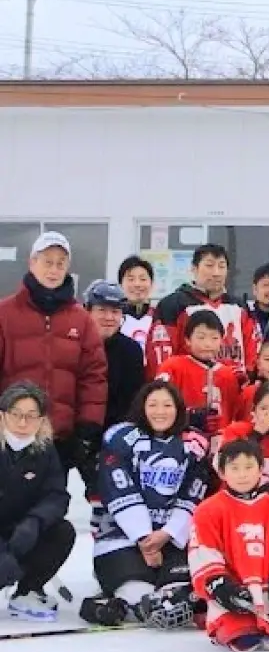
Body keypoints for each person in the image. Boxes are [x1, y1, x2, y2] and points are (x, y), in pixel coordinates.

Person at [82, 381, 209, 627]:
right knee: (141, 596)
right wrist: (143, 538)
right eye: (153, 405)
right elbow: (119, 489)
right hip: (121, 539)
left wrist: (167, 533)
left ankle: (133, 600)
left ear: (178, 409)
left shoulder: (192, 445)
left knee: (181, 596)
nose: (160, 411)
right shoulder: (122, 440)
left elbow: (193, 494)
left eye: (167, 405)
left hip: (170, 540)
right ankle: (111, 604)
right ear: (141, 407)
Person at [0, 231, 107, 482]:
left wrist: (88, 426)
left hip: (59, 437)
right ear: (32, 263)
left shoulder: (81, 319)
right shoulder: (4, 313)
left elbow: (93, 376)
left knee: (52, 507)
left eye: (61, 263)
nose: (54, 269)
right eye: (47, 261)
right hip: (11, 432)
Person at [188, 437, 269, 650]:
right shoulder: (209, 509)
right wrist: (220, 584)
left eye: (249, 467)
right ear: (222, 473)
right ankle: (223, 621)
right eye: (235, 468)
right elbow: (203, 552)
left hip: (267, 594)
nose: (242, 474)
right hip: (235, 595)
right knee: (244, 639)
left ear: (261, 470)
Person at [0, 383, 76, 621]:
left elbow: (57, 495)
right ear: (3, 415)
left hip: (22, 530)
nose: (23, 423)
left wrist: (34, 522)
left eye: (31, 416)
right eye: (16, 415)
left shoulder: (44, 450)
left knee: (62, 532)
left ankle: (27, 590)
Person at [145, 243, 258, 382]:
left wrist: (248, 379)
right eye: (209, 265)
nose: (216, 273)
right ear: (194, 268)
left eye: (221, 266)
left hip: (233, 390)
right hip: (188, 389)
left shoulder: (239, 306)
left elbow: (253, 348)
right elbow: (160, 355)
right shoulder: (173, 305)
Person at [153, 310, 243, 437]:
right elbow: (157, 405)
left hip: (220, 443)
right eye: (201, 337)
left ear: (222, 341)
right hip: (181, 440)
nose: (207, 343)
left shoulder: (228, 374)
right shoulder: (172, 367)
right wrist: (187, 418)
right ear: (187, 340)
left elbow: (233, 414)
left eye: (214, 338)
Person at [85, 280, 144, 432]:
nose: (109, 317)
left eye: (115, 312)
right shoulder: (74, 345)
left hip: (116, 433)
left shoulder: (131, 350)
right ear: (87, 311)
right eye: (102, 310)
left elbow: (132, 403)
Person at [117, 255, 156, 352]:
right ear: (121, 284)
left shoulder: (160, 317)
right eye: (131, 279)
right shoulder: (114, 318)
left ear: (151, 284)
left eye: (143, 279)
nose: (137, 284)